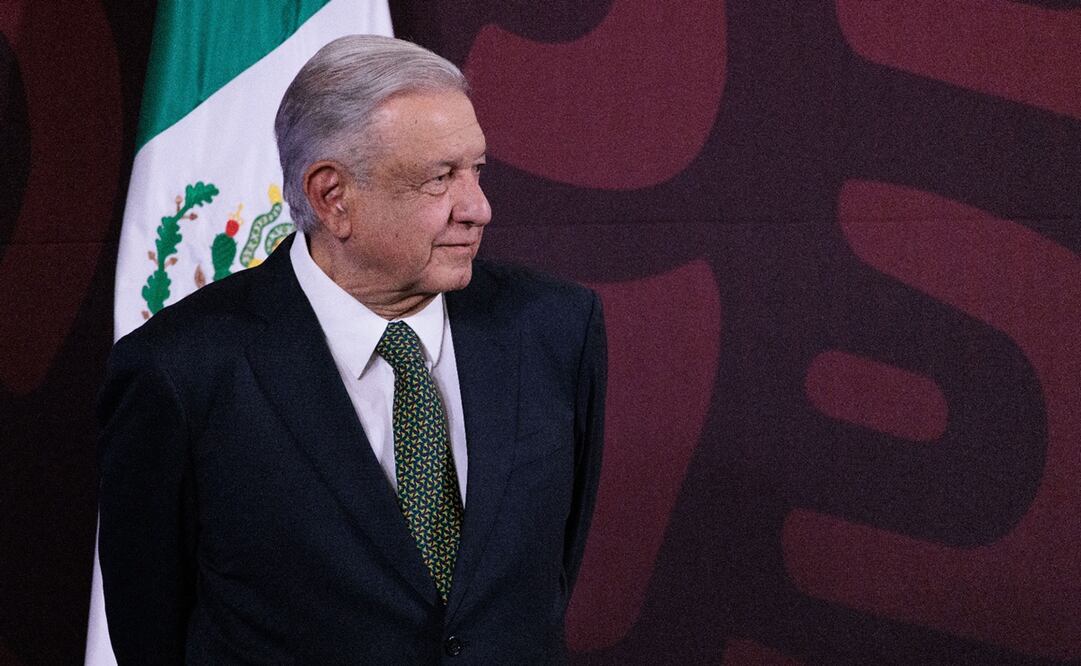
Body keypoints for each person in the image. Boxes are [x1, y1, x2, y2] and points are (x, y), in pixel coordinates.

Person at [97, 35, 606, 664]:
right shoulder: (181, 370)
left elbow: (544, 581)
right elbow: (151, 632)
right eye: (439, 178)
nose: (478, 208)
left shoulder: (555, 326)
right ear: (332, 198)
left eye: (476, 170)